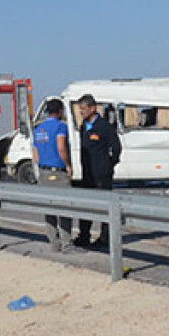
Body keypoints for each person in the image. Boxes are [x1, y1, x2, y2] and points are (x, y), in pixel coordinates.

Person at [72, 94, 122, 248]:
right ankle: (84, 235)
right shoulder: (83, 127)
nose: (81, 112)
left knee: (104, 207)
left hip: (102, 174)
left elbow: (116, 148)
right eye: (80, 109)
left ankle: (105, 238)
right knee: (86, 206)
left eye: (84, 109)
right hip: (87, 174)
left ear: (93, 108)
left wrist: (108, 165)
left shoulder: (104, 126)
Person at [32, 99, 74, 252]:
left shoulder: (38, 129)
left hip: (43, 171)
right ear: (60, 111)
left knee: (48, 208)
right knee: (64, 208)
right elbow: (61, 147)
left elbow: (35, 155)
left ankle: (54, 243)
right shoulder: (60, 127)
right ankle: (67, 243)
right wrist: (68, 165)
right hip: (58, 172)